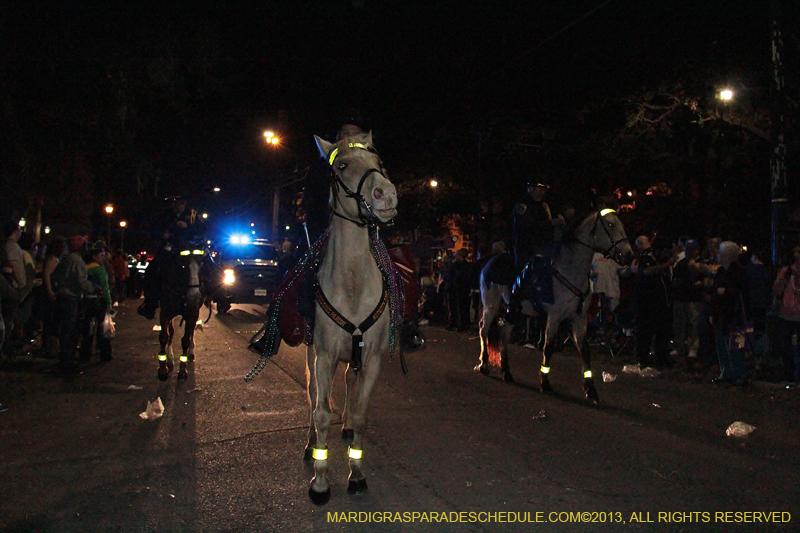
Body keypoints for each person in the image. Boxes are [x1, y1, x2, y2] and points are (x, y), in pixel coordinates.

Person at [298, 116, 367, 246]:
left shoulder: (368, 164)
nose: (349, 138)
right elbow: (310, 198)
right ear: (338, 136)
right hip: (325, 228)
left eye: (355, 134)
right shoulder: (321, 165)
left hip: (361, 227)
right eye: (345, 133)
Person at [52, 235, 98, 375]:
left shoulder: (65, 259)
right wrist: (94, 288)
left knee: (65, 333)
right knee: (70, 332)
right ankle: (67, 364)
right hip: (70, 299)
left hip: (62, 298)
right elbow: (82, 282)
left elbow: (55, 276)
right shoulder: (77, 261)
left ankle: (64, 361)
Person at [632, 235, 676, 369]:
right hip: (647, 304)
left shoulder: (658, 260)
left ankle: (661, 358)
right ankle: (643, 358)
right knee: (645, 332)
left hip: (661, 304)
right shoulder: (647, 259)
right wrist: (666, 265)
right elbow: (647, 271)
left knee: (662, 332)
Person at [709, 241, 749, 385]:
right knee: (722, 344)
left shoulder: (738, 272)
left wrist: (726, 292)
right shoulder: (721, 271)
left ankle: (739, 374)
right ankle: (726, 372)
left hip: (734, 315)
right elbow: (715, 292)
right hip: (721, 313)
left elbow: (741, 293)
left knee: (735, 345)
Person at [512, 181, 564, 272]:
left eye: (544, 190)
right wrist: (550, 224)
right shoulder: (523, 205)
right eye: (541, 189)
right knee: (523, 273)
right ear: (531, 189)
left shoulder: (543, 206)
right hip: (527, 248)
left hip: (545, 246)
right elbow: (526, 227)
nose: (543, 193)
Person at [670, 238, 704, 366]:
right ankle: (679, 347)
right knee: (679, 324)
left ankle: (693, 348)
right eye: (688, 249)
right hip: (680, 298)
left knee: (694, 324)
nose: (689, 251)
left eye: (692, 249)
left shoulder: (700, 263)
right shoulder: (682, 263)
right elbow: (675, 278)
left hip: (694, 299)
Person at [772, 245, 800, 387]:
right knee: (785, 347)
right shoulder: (787, 271)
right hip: (786, 313)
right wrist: (780, 284)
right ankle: (789, 376)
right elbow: (776, 291)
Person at [80, 243, 113, 362]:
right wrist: (109, 303)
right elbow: (105, 288)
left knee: (87, 329)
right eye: (101, 255)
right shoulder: (99, 270)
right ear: (94, 257)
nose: (103, 258)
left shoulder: (85, 268)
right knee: (102, 329)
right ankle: (105, 354)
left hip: (86, 300)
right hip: (98, 301)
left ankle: (85, 354)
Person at [39, 237, 67, 358]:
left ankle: (50, 347)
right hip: (51, 294)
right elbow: (46, 276)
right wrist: (50, 292)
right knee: (51, 321)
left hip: (53, 293)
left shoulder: (54, 259)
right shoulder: (52, 260)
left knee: (52, 321)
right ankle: (50, 348)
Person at [444, 248, 472, 331]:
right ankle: (454, 323)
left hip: (460, 289)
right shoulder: (457, 265)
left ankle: (462, 324)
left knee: (462, 308)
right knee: (454, 307)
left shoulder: (464, 266)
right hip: (455, 289)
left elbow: (459, 277)